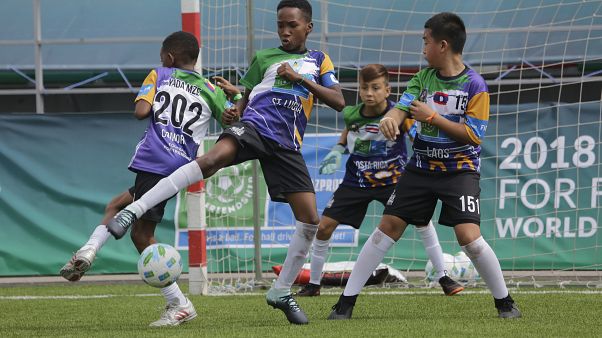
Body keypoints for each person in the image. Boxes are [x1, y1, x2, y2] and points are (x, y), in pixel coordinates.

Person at [106, 0, 345, 325]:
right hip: (257, 126)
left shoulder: (318, 60)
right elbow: (242, 104)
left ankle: (281, 291)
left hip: (287, 145)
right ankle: (135, 209)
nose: (285, 31)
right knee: (212, 159)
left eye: (292, 25)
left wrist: (300, 79)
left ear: (308, 27)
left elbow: (339, 101)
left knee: (309, 221)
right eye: (280, 25)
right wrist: (234, 107)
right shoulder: (264, 59)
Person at [327, 12, 521, 320]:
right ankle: (345, 303)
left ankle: (505, 302)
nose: (422, 48)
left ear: (442, 45)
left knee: (468, 237)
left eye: (425, 41)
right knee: (386, 229)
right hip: (419, 169)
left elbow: (474, 136)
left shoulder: (475, 85)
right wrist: (390, 121)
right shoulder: (422, 78)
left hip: (459, 172)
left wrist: (432, 117)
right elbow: (400, 109)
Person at [60, 30, 240, 327]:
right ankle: (86, 252)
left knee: (141, 235)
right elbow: (233, 118)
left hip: (155, 159)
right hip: (182, 168)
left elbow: (140, 111)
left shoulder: (161, 73)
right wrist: (235, 96)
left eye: (162, 56)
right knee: (118, 205)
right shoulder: (211, 89)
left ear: (169, 57)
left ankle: (179, 303)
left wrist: (158, 101)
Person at [296, 64, 463, 297]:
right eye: (364, 88)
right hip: (357, 181)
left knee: (422, 222)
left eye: (375, 88)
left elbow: (414, 133)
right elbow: (350, 129)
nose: (369, 93)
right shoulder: (351, 113)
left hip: (394, 182)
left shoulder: (400, 114)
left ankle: (444, 276)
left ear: (387, 90)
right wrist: (338, 149)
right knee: (324, 227)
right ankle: (314, 284)